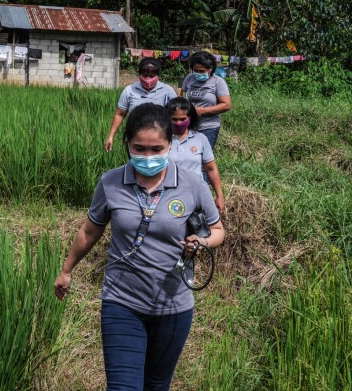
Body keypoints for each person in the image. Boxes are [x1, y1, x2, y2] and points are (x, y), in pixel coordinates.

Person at [56, 104, 225, 391]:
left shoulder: (192, 184)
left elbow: (218, 230)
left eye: (156, 149)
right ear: (127, 145)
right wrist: (66, 270)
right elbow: (90, 229)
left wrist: (202, 242)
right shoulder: (111, 182)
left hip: (173, 304)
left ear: (170, 144)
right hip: (122, 301)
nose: (148, 157)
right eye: (140, 148)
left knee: (156, 386)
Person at [167, 97, 225, 214]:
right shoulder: (162, 140)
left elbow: (211, 168)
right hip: (170, 195)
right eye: (174, 119)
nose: (178, 123)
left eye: (183, 119)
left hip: (196, 194)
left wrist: (219, 196)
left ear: (190, 118)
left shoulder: (200, 139)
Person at [105, 59, 177, 152]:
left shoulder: (167, 91)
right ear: (139, 75)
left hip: (159, 140)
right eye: (145, 75)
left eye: (152, 76)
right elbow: (120, 114)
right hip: (135, 140)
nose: (148, 79)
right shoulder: (129, 90)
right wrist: (111, 136)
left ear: (158, 75)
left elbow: (176, 114)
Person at [180, 51, 231, 151]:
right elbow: (181, 95)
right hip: (189, 126)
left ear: (210, 69)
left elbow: (226, 105)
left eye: (202, 71)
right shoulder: (189, 78)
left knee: (203, 158)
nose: (198, 73)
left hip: (208, 127)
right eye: (195, 70)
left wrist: (203, 111)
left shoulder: (218, 82)